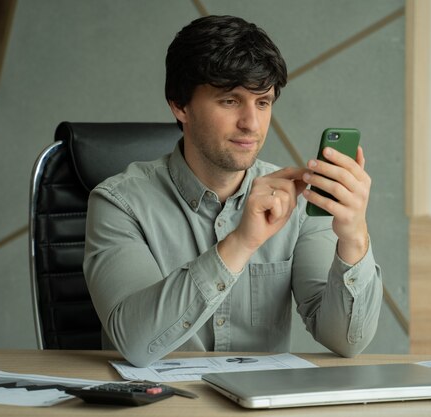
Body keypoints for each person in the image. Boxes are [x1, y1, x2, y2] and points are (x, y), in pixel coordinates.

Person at [84, 15, 382, 367]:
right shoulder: (119, 204)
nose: (251, 124)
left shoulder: (299, 204)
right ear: (180, 105)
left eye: (263, 102)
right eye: (230, 101)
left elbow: (347, 341)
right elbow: (135, 342)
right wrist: (241, 243)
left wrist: (354, 239)